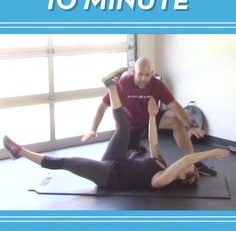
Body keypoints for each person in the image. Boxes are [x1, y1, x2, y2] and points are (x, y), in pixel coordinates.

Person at [3, 69, 230, 191]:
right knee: (123, 127)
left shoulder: (162, 180)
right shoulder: (161, 163)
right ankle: (111, 84)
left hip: (108, 175)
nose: (186, 163)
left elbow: (186, 159)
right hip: (117, 160)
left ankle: (19, 151)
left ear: (183, 175)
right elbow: (153, 142)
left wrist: (211, 153)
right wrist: (152, 116)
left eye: (188, 167)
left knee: (67, 161)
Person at [82, 58, 216, 176]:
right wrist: (93, 129)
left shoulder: (156, 84)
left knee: (175, 119)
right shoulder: (123, 83)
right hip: (129, 127)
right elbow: (103, 106)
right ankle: (135, 147)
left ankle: (195, 161)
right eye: (140, 74)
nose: (143, 79)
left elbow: (174, 105)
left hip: (151, 118)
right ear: (134, 72)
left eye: (147, 75)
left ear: (151, 73)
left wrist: (190, 125)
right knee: (112, 165)